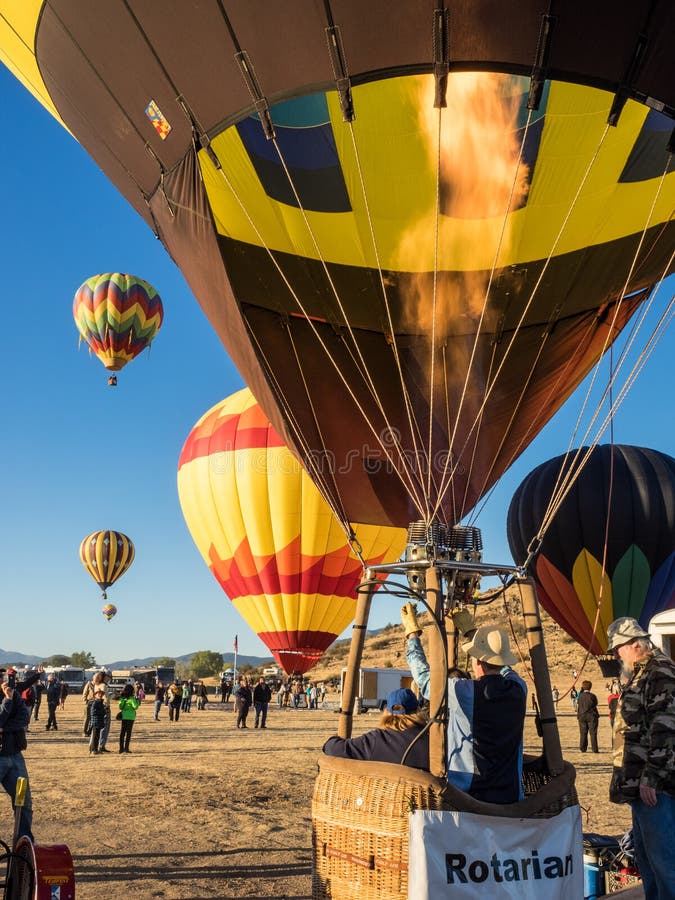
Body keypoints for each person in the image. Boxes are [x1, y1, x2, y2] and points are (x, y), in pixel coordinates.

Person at [402, 602, 527, 803]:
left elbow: (425, 679)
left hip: (468, 796)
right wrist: (471, 632)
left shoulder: (464, 692)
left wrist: (412, 635)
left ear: (477, 662)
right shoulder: (519, 688)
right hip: (510, 795)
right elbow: (504, 669)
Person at [607, 616, 675, 898]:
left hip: (654, 787)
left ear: (635, 644)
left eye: (618, 648)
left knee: (665, 864)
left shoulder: (660, 672)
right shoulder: (641, 673)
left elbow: (666, 727)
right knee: (647, 861)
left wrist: (652, 777)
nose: (615, 654)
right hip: (638, 784)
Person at [323, 688, 429, 769]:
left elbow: (332, 749)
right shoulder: (431, 740)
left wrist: (334, 738)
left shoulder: (377, 739)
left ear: (386, 711)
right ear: (418, 711)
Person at [0, 674, 33, 841]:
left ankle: (24, 843)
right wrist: (7, 701)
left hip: (15, 755)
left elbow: (24, 718)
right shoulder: (9, 697)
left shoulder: (15, 695)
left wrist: (4, 729)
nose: (2, 681)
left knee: (24, 802)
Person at [576, 680, 600, 753]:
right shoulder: (592, 696)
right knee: (593, 733)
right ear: (590, 687)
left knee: (583, 733)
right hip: (591, 715)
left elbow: (578, 704)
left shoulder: (580, 696)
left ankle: (583, 748)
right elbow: (595, 703)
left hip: (582, 716)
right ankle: (594, 749)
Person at [118, 683, 140, 753]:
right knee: (128, 733)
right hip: (131, 717)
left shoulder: (122, 698)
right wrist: (137, 701)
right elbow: (135, 707)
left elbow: (120, 707)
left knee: (122, 733)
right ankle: (126, 748)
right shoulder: (132, 698)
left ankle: (121, 748)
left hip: (124, 716)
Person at [89, 689, 107, 755]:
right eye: (98, 694)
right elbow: (93, 712)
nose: (100, 695)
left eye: (101, 694)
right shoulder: (95, 702)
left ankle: (96, 749)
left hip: (99, 721)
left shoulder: (100, 702)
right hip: (96, 721)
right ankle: (94, 749)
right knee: (95, 736)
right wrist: (102, 712)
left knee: (97, 736)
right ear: (95, 695)